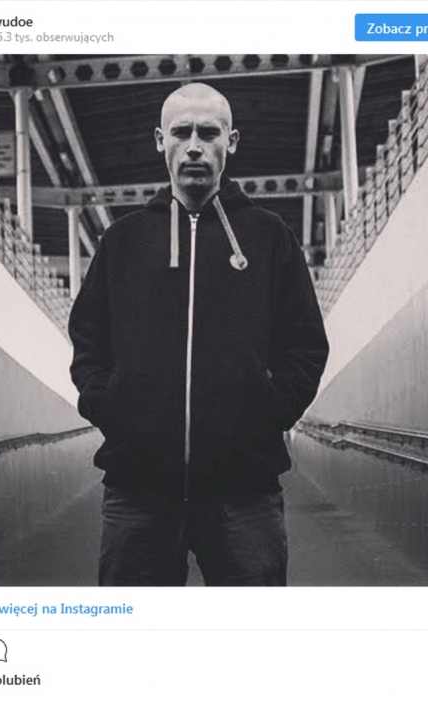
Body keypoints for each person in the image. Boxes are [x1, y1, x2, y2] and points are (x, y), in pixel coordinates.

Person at [69, 82, 329, 587]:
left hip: (244, 491)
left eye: (208, 133)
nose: (193, 146)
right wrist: (111, 406)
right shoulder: (122, 241)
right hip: (138, 490)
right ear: (159, 140)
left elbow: (305, 344)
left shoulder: (269, 236)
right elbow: (88, 339)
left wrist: (267, 413)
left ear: (231, 141)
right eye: (181, 132)